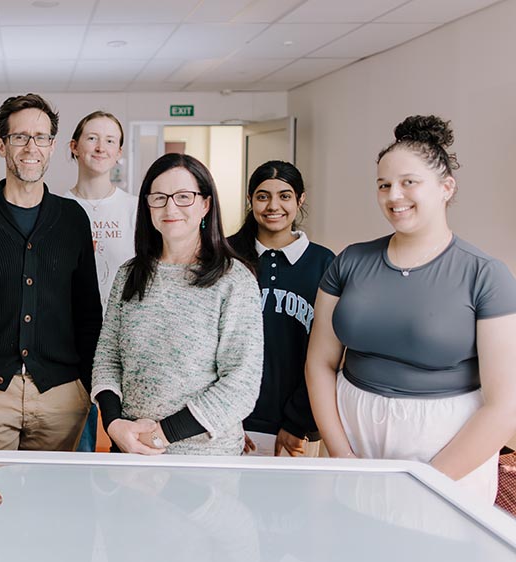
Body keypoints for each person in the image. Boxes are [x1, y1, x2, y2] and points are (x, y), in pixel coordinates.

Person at [305, 115, 516, 503]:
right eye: (384, 185)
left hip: (446, 453)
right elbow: (319, 362)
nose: (393, 196)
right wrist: (341, 453)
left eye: (409, 182)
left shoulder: (486, 275)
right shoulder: (350, 262)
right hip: (351, 437)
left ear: (446, 187)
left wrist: (430, 481)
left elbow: (505, 405)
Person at [0, 93, 103, 451]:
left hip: (60, 396)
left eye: (41, 137)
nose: (31, 147)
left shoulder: (73, 220)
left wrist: (88, 391)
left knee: (54, 504)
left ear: (54, 146)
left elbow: (89, 315)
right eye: (20, 137)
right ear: (1, 145)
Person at [92, 153, 263, 456]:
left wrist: (161, 436)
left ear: (205, 204)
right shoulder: (129, 275)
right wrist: (114, 424)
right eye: (159, 197)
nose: (170, 207)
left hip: (203, 463)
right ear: (148, 205)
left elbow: (241, 384)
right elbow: (108, 359)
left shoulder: (234, 280)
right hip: (129, 451)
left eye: (184, 197)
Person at [228, 161, 334, 457]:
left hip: (298, 429)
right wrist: (224, 419)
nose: (274, 205)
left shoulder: (324, 264)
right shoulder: (225, 257)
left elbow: (329, 353)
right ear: (250, 200)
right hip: (232, 424)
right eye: (263, 196)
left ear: (300, 200)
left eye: (285, 196)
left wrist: (298, 421)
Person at [64, 110, 137, 452]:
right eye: (92, 138)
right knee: (78, 446)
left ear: (119, 152)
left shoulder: (135, 210)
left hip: (124, 344)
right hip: (69, 345)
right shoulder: (57, 209)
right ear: (74, 147)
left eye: (110, 140)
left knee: (126, 445)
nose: (100, 147)